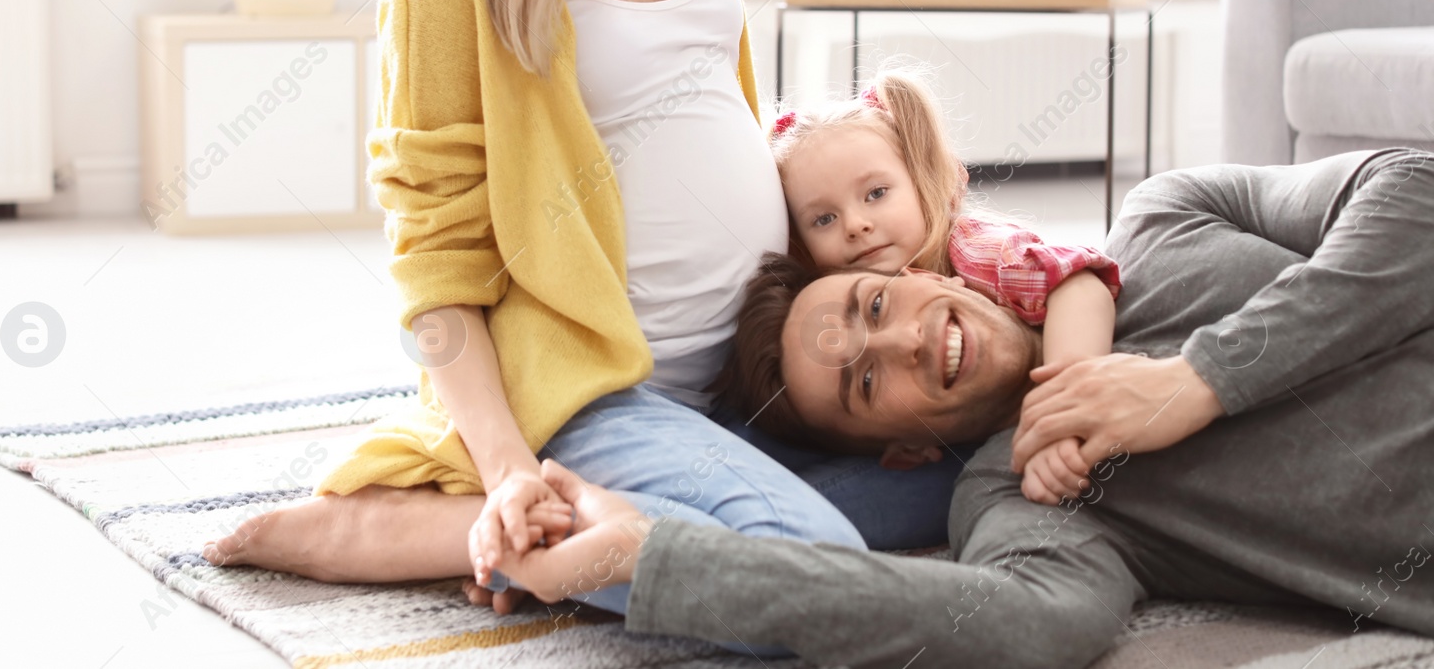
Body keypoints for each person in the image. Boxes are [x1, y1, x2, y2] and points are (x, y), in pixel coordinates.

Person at [200, 0, 955, 627]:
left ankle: (568, 529)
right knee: (811, 563)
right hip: (599, 389)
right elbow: (434, 255)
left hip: (743, 370)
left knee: (963, 471)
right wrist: (510, 461)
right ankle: (455, 521)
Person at [488, 149, 1434, 667]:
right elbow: (1029, 623)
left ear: (910, 267)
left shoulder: (1166, 217)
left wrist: (1202, 380)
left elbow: (1416, 188)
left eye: (872, 303)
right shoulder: (1017, 494)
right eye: (866, 383)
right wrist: (645, 556)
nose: (903, 340)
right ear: (900, 451)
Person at [727, 67, 1120, 504]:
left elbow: (1079, 285)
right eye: (824, 219)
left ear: (920, 181)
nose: (856, 226)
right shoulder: (825, 307)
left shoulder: (974, 249)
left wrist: (1062, 413)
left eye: (876, 193)